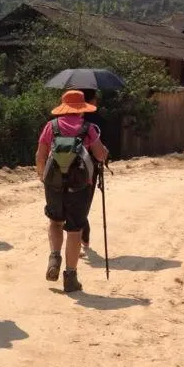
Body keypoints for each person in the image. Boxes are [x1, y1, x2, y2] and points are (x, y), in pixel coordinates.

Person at [36, 90, 109, 293]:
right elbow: (100, 155)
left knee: (55, 222)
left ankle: (54, 257)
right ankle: (70, 277)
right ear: (82, 109)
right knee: (75, 230)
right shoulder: (88, 128)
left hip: (54, 183)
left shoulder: (51, 126)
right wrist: (104, 151)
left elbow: (40, 155)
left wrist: (42, 176)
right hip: (80, 185)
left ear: (63, 108)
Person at [79, 89, 101, 251]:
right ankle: (83, 238)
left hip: (63, 167)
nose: (97, 102)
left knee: (72, 204)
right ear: (90, 100)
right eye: (95, 98)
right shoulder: (96, 121)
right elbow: (101, 151)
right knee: (84, 204)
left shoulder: (58, 122)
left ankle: (81, 237)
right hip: (89, 167)